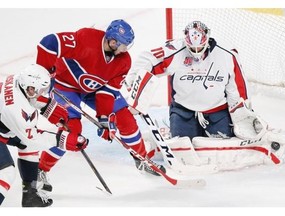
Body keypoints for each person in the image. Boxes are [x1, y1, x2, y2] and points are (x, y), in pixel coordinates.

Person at [125, 20, 285, 170]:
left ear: (207, 39)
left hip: (217, 112)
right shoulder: (175, 50)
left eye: (199, 48)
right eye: (192, 48)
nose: (196, 52)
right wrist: (134, 81)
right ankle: (159, 139)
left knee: (221, 150)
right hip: (183, 111)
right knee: (183, 150)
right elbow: (148, 57)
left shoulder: (227, 55)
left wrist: (241, 113)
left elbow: (237, 87)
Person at [35, 19, 166, 192]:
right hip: (64, 86)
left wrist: (104, 119)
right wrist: (44, 72)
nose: (126, 49)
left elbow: (107, 91)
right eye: (123, 45)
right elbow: (49, 43)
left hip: (95, 90)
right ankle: (39, 170)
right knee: (70, 131)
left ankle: (142, 159)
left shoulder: (123, 61)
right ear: (113, 41)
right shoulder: (86, 39)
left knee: (124, 118)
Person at [0, 64, 88, 207]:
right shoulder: (15, 108)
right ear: (30, 87)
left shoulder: (19, 80)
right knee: (6, 172)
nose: (41, 93)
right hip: (6, 124)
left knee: (27, 147)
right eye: (40, 90)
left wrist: (48, 107)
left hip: (4, 125)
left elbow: (31, 96)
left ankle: (30, 195)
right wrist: (63, 140)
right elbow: (33, 139)